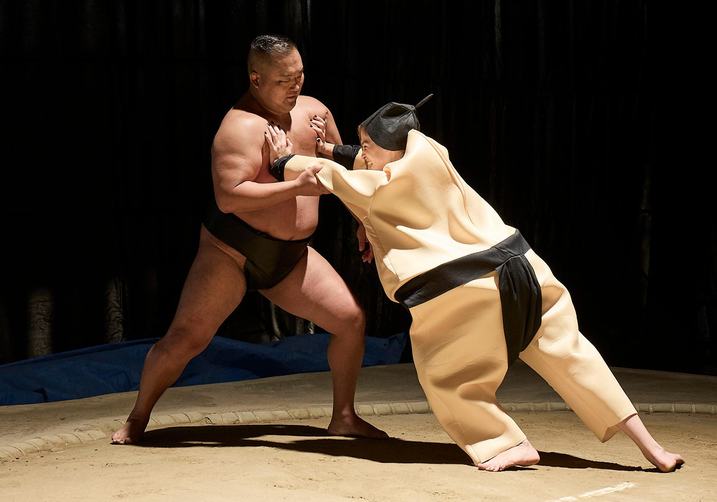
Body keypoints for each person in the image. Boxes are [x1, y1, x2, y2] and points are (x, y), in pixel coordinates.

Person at [265, 95, 685, 472]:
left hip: (468, 288)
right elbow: (364, 160)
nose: (364, 155)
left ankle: (504, 443)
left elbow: (329, 178)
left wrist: (286, 160)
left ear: (389, 154)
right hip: (527, 270)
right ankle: (651, 447)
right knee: (574, 356)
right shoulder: (431, 157)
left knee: (444, 374)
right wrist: (332, 147)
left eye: (369, 147)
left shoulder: (379, 186)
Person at [111, 35, 388, 444]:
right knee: (186, 339)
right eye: (283, 80)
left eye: (299, 76)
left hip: (292, 257)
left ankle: (343, 416)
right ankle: (137, 417)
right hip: (232, 251)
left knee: (350, 320)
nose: (295, 87)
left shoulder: (315, 113)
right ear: (255, 78)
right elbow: (229, 197)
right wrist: (294, 186)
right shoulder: (238, 128)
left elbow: (346, 171)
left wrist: (362, 218)